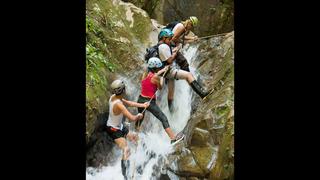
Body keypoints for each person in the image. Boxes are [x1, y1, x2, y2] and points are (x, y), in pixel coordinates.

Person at [105, 79, 150, 179]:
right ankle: (125, 176)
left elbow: (128, 103)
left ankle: (142, 162)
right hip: (113, 129)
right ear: (123, 90)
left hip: (119, 126)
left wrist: (143, 105)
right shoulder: (118, 105)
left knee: (135, 138)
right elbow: (132, 118)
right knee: (126, 149)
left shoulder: (115, 97)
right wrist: (138, 116)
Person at [157, 28, 211, 110]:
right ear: (164, 38)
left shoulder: (161, 45)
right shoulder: (163, 47)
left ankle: (171, 110)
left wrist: (173, 51)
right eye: (169, 38)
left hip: (167, 72)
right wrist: (175, 52)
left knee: (171, 94)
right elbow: (169, 60)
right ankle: (202, 94)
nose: (170, 40)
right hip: (170, 71)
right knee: (188, 75)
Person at [135, 57, 185, 144]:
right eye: (158, 67)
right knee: (163, 118)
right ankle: (173, 139)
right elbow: (160, 87)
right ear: (156, 68)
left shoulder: (144, 74)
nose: (160, 68)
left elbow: (153, 76)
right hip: (149, 102)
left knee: (140, 119)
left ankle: (136, 137)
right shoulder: (156, 78)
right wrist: (162, 77)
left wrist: (162, 71)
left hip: (140, 99)